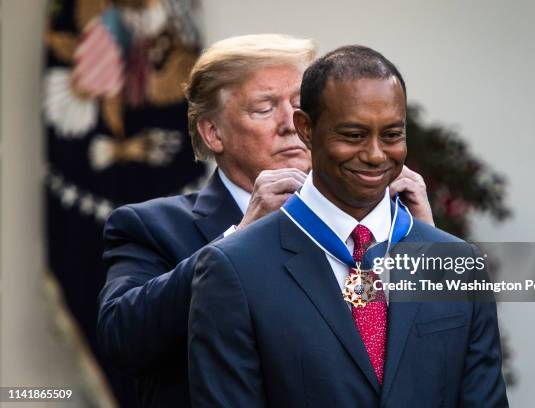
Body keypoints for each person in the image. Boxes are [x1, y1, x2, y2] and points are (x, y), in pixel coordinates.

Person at [98, 35, 434, 407]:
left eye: (300, 107)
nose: (291, 124)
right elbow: (121, 339)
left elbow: (445, 350)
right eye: (264, 108)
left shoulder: (385, 219)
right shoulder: (151, 226)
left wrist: (427, 248)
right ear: (213, 133)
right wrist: (238, 239)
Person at [188, 45, 508, 407]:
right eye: (353, 135)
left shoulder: (458, 263)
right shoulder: (234, 269)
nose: (375, 155)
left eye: (391, 135)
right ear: (305, 129)